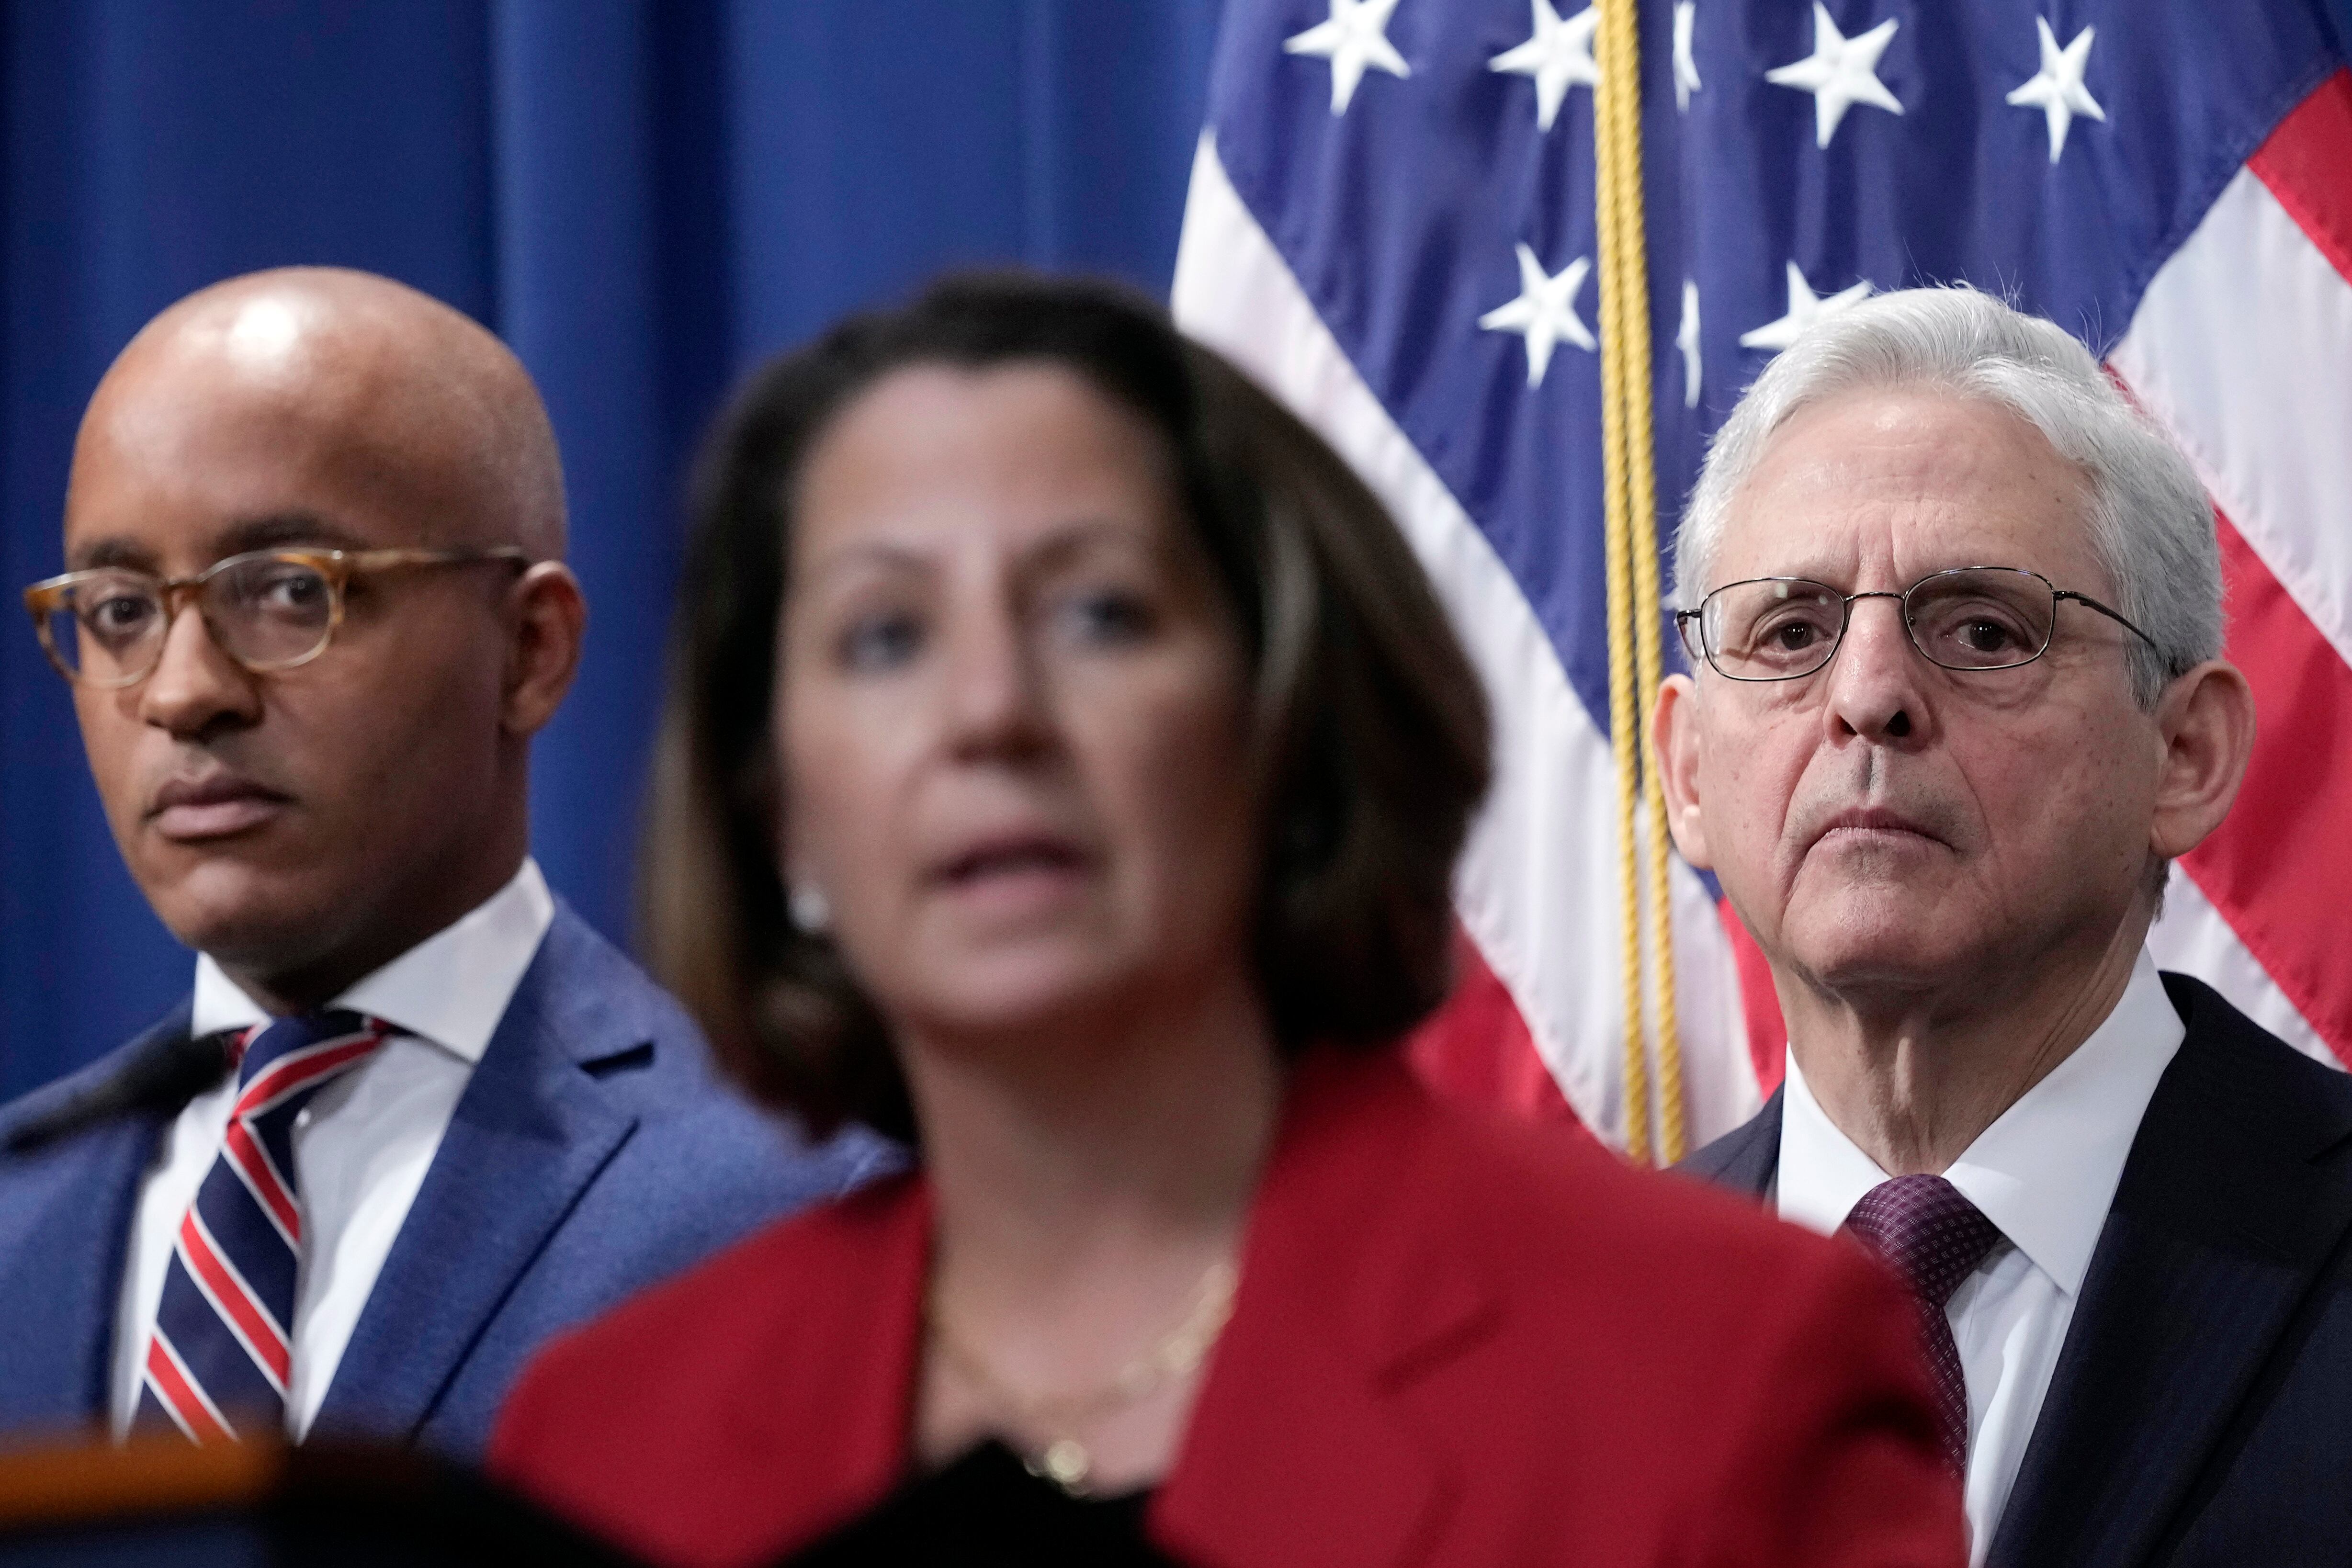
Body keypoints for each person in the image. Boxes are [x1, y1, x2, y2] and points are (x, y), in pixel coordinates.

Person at [488, 273, 1965, 1568]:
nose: (989, 712)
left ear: (1288, 717)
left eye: (1099, 614)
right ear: (780, 807)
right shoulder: (607, 1434)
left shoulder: (1720, 1366)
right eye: (885, 636)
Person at [0, 268, 888, 1459]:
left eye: (288, 592)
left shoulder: (803, 1210)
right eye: (120, 612)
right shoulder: (17, 1208)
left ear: (528, 649)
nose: (181, 692)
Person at [1661, 285, 2352, 1566]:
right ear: (1688, 771)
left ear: (2184, 754)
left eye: (1984, 629)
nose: (1868, 694)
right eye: (1793, 630)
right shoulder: (1558, 1323)